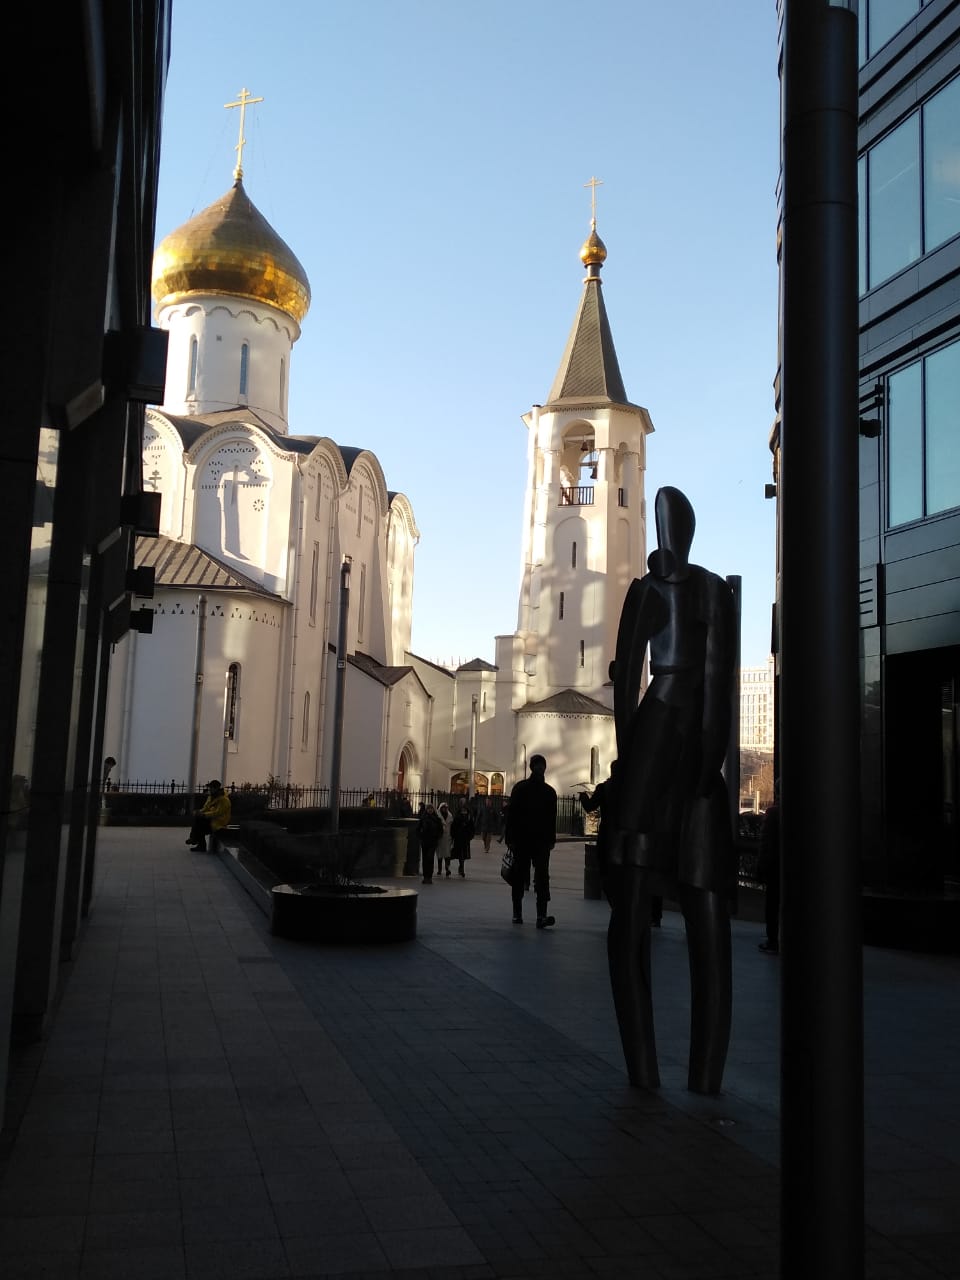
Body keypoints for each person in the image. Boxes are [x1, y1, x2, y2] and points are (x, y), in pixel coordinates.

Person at [604, 486, 737, 1095]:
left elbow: (712, 679)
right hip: (669, 729)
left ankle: (688, 1072)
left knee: (693, 903)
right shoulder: (662, 590)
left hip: (673, 734)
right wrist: (633, 756)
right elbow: (629, 676)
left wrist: (695, 765)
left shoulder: (703, 591)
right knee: (644, 904)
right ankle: (654, 1070)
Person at [505, 755, 557, 927]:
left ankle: (528, 914)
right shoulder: (545, 791)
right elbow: (512, 815)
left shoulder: (523, 789)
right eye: (539, 766)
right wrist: (550, 839)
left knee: (530, 877)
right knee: (534, 876)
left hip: (530, 840)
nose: (541, 769)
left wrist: (510, 838)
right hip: (532, 840)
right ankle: (531, 914)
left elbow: (551, 819)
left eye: (541, 766)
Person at [757, 783, 781, 953]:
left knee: (772, 905)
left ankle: (773, 940)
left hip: (774, 866)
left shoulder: (773, 813)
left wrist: (761, 865)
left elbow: (765, 842)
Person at [186, 779, 231, 852]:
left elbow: (217, 813)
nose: (209, 789)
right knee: (198, 819)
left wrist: (204, 815)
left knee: (199, 823)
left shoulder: (224, 800)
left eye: (211, 788)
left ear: (216, 788)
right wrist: (198, 812)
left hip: (219, 822)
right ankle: (196, 840)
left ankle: (196, 841)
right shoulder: (210, 797)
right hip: (211, 820)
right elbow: (205, 808)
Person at [418, 803, 444, 883]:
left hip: (433, 842)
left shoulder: (437, 819)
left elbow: (440, 830)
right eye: (428, 808)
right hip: (425, 841)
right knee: (425, 859)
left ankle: (429, 876)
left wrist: (437, 837)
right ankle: (425, 876)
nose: (430, 810)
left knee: (430, 858)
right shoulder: (423, 818)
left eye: (431, 809)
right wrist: (421, 836)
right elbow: (418, 829)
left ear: (433, 810)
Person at [450, 799, 474, 876]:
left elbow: (472, 825)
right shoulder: (458, 813)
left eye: (464, 803)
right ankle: (461, 868)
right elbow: (454, 825)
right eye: (462, 803)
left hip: (466, 837)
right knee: (460, 853)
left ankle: (461, 867)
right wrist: (453, 835)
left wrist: (471, 835)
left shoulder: (469, 814)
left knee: (464, 853)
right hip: (458, 837)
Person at [436, 801, 454, 876]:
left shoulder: (450, 816)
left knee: (447, 855)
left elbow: (452, 827)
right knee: (439, 855)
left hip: (447, 837)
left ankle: (447, 868)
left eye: (445, 808)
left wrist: (452, 836)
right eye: (443, 808)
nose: (444, 809)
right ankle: (439, 869)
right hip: (440, 838)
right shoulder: (437, 816)